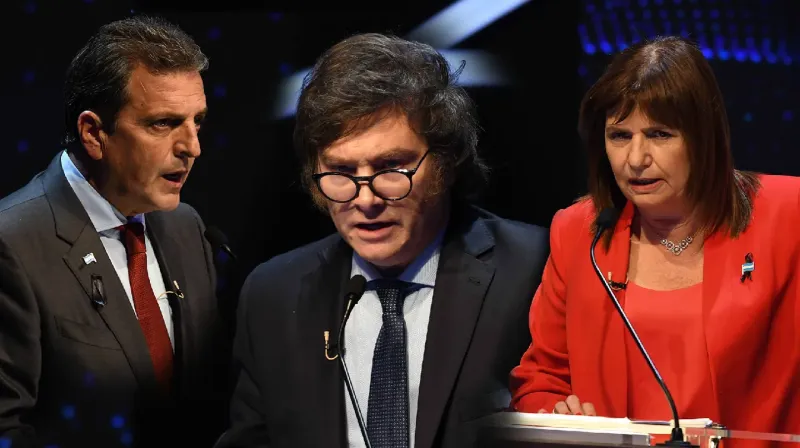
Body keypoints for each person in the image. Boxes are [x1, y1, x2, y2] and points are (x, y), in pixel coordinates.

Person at [215, 33, 549, 448]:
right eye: (340, 171)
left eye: (391, 167)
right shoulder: (274, 295)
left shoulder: (535, 270)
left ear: (444, 164)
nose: (366, 198)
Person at [509, 36, 800, 437]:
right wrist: (559, 413)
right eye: (620, 136)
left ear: (704, 138)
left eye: (660, 134)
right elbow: (541, 377)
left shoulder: (787, 215)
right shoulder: (580, 232)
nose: (636, 159)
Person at [0, 16, 228, 448]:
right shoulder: (12, 244)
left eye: (197, 121)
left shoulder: (186, 227)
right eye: (163, 124)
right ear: (93, 133)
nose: (192, 147)